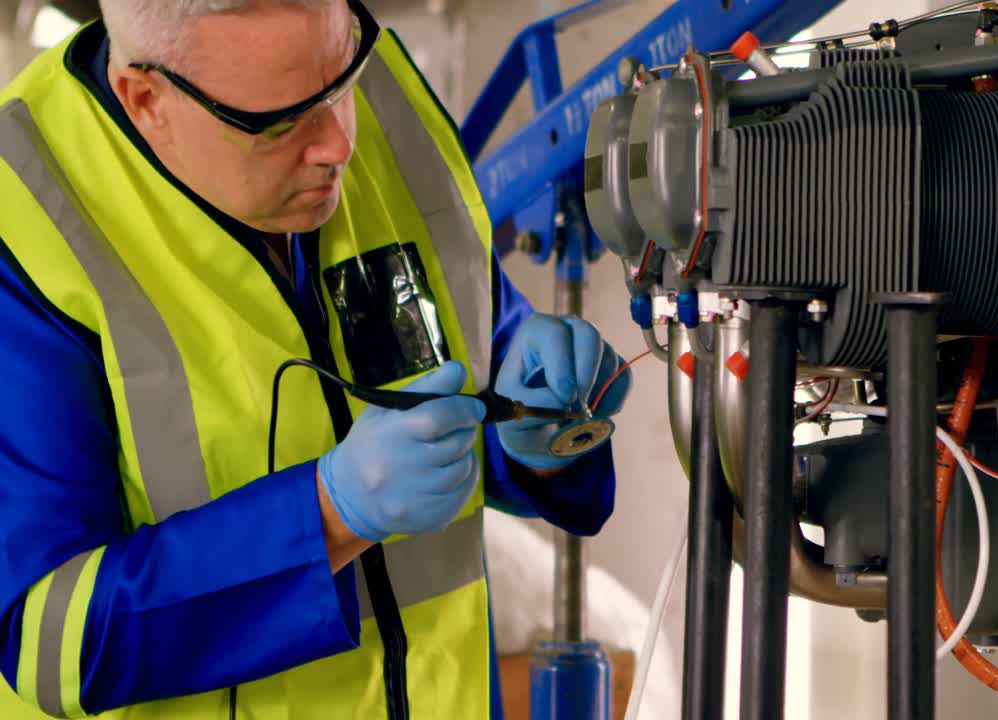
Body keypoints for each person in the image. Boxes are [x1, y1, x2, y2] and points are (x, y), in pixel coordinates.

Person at [0, 0, 633, 718]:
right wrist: (329, 515)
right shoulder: (25, 219)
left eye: (344, 79)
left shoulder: (385, 108)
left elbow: (479, 357)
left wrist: (534, 428)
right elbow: (48, 642)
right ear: (148, 101)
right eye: (279, 122)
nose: (338, 143)